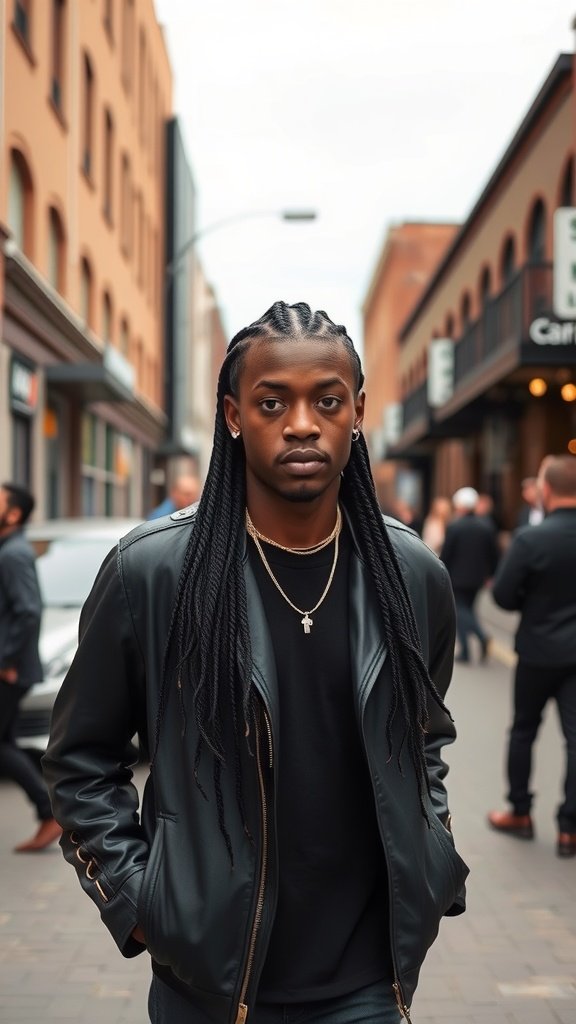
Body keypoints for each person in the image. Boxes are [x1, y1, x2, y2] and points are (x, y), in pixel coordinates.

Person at [43, 301, 468, 1024]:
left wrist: (433, 860)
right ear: (235, 416)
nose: (302, 422)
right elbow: (81, 761)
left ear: (357, 412)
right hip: (210, 980)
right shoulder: (154, 575)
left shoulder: (411, 574)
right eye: (273, 402)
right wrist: (144, 905)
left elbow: (423, 739)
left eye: (327, 401)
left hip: (371, 980)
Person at [488, 454, 576, 858]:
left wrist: (533, 600)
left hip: (538, 652)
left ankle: (520, 813)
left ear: (545, 490)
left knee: (524, 730)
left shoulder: (530, 539)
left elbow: (504, 597)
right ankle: (570, 829)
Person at [0, 483, 62, 852]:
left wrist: (7, 660)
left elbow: (28, 609)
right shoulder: (9, 550)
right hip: (9, 665)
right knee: (5, 742)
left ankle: (48, 809)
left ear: (14, 514)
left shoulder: (13, 554)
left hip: (8, 670)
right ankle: (47, 810)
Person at [440, 486, 499, 664]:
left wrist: (441, 572)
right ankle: (465, 651)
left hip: (457, 577)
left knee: (460, 612)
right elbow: (494, 553)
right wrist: (492, 574)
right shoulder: (487, 526)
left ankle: (480, 637)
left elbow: (447, 553)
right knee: (467, 611)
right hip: (478, 578)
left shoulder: (454, 526)